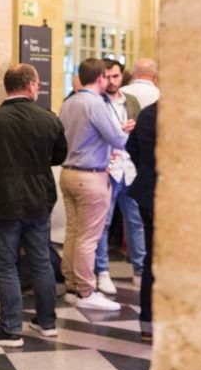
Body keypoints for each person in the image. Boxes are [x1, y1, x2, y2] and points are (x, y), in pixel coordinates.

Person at [0, 63, 67, 347]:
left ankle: (10, 327)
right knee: (41, 260)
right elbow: (60, 155)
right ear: (31, 85)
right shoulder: (48, 118)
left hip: (2, 199)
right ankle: (47, 322)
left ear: (8, 86)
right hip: (39, 198)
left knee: (6, 265)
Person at [59, 57, 133, 311]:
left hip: (68, 173)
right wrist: (124, 131)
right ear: (100, 78)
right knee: (88, 237)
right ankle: (86, 291)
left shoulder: (69, 102)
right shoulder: (95, 104)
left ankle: (70, 286)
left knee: (73, 232)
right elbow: (117, 139)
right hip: (91, 176)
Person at [94, 58, 145, 295]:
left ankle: (140, 270)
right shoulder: (97, 101)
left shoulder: (131, 101)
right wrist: (118, 132)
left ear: (122, 76)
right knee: (103, 223)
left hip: (130, 168)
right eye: (107, 76)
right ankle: (102, 271)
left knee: (135, 221)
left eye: (116, 76)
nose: (112, 81)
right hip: (108, 167)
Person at [127, 101, 158, 342]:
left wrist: (147, 173)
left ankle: (148, 323)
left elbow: (132, 146)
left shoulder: (148, 113)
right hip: (174, 199)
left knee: (151, 260)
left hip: (148, 195)